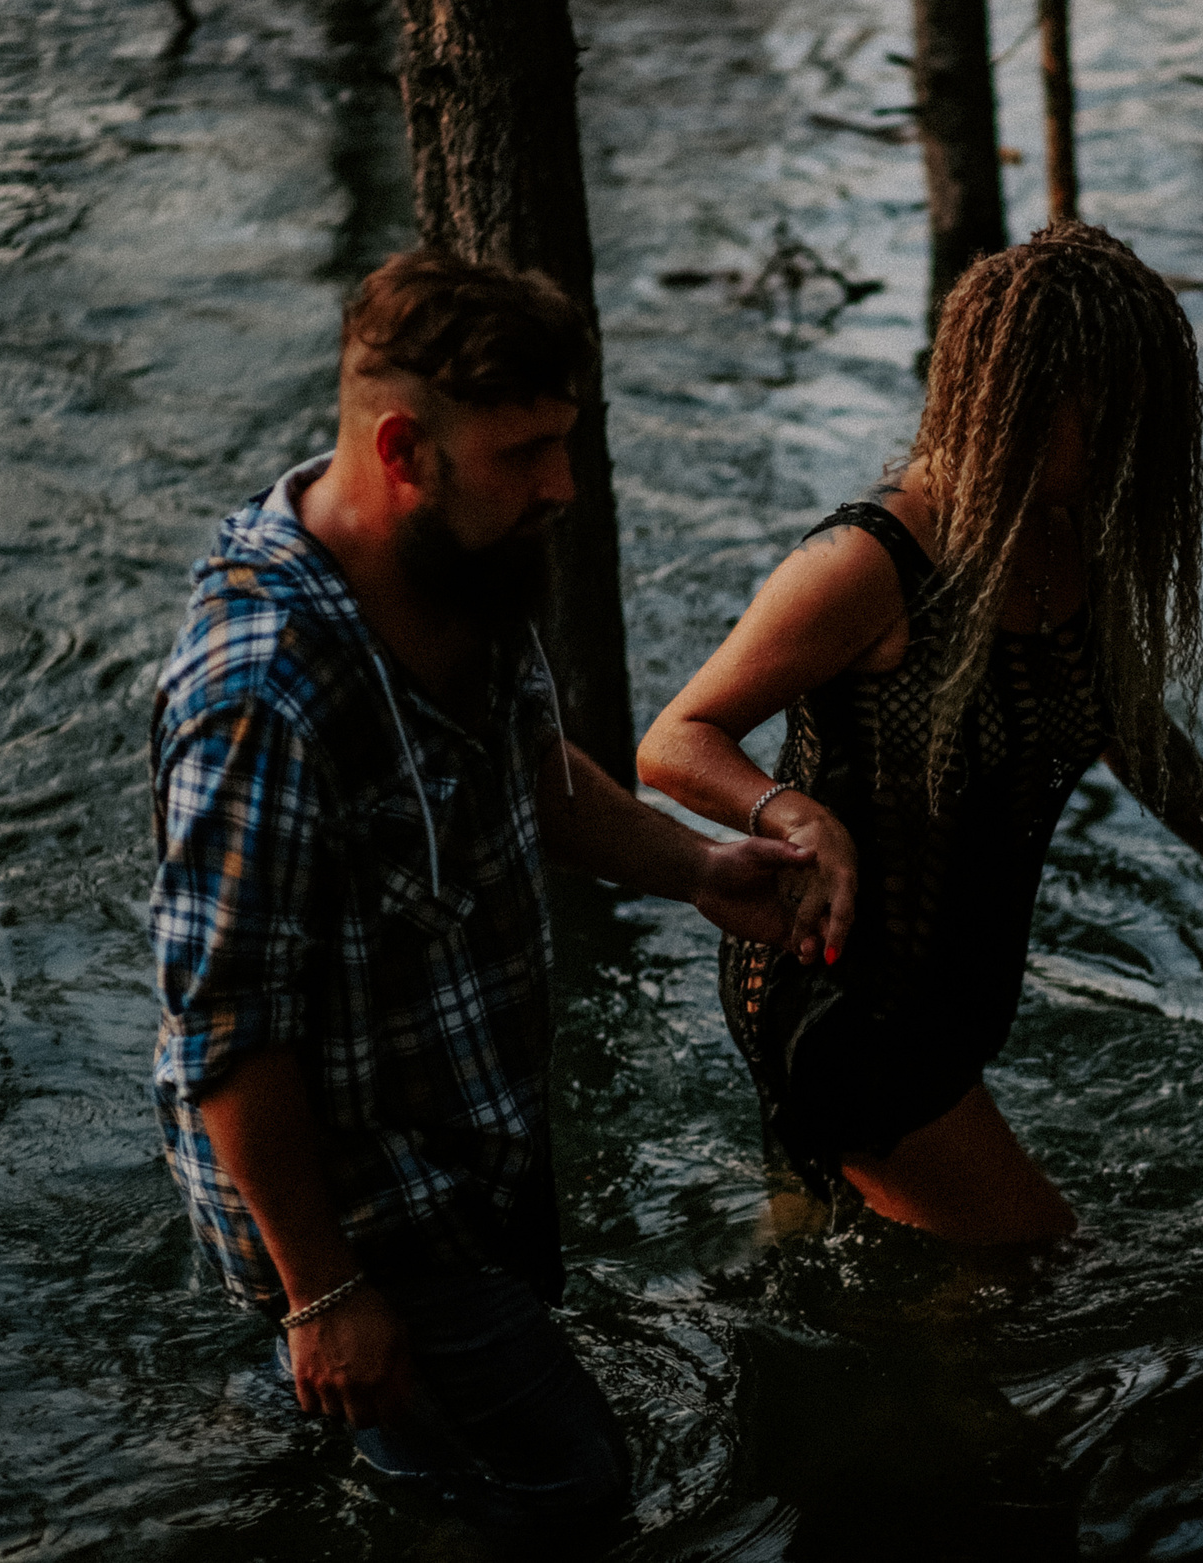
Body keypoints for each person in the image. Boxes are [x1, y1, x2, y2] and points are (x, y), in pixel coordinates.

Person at [147, 250, 810, 1542]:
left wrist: (702, 866)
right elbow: (225, 1028)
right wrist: (323, 1290)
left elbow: (530, 773)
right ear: (404, 448)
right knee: (576, 1491)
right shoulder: (259, 695)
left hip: (468, 1155)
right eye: (527, 451)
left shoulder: (463, 573)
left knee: (435, 1479)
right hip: (362, 1212)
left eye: (567, 442)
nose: (563, 484)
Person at [638, 222, 1203, 1247]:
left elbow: (1134, 739)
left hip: (947, 1009)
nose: (1133, 450)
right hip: (845, 1004)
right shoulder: (868, 565)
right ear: (1012, 403)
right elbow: (674, 738)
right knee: (1035, 1259)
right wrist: (788, 811)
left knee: (822, 1270)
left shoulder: (1066, 540)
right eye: (1106, 421)